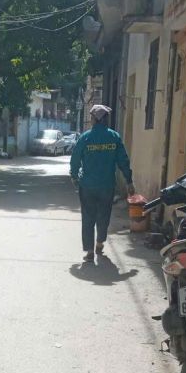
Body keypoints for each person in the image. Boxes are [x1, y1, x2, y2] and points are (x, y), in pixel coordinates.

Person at [70, 105, 135, 262]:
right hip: (107, 185)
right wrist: (129, 181)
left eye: (91, 117)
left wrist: (74, 176)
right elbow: (123, 160)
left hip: (87, 186)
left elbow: (75, 158)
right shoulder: (114, 137)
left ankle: (89, 251)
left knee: (88, 217)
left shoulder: (85, 138)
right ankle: (99, 243)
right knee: (104, 215)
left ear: (94, 119)